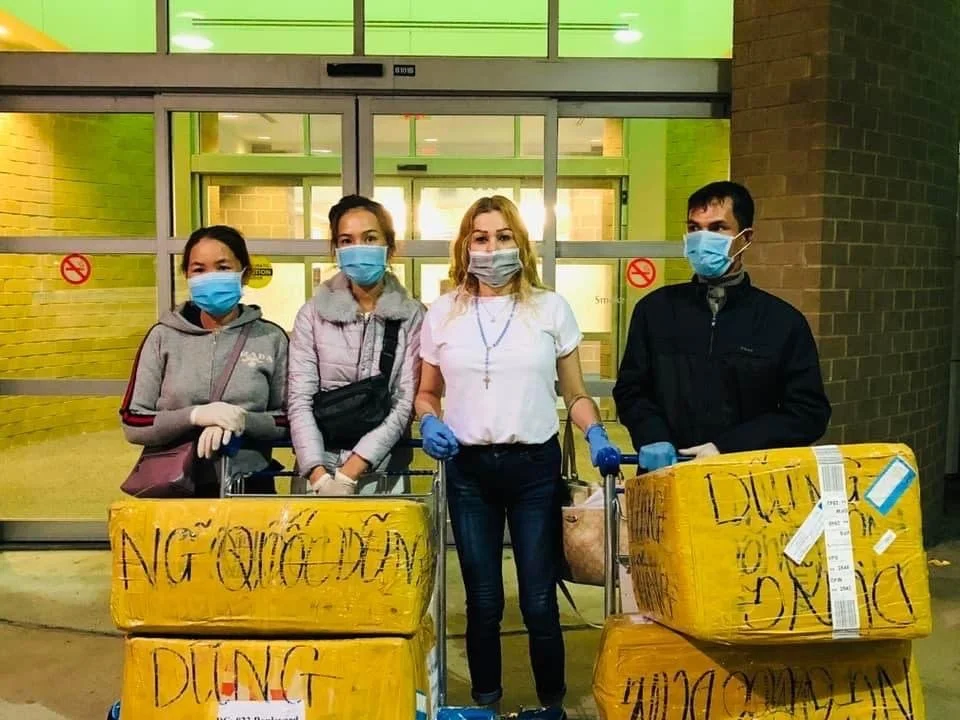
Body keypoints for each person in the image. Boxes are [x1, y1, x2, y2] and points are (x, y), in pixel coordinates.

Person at [414, 195, 620, 720]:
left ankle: (552, 704)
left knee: (538, 599)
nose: (492, 248)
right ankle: (487, 702)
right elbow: (427, 393)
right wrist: (430, 420)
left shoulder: (550, 309)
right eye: (481, 238)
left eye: (503, 237)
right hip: (468, 471)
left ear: (521, 244)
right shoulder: (443, 313)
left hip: (534, 469)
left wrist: (595, 433)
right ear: (465, 247)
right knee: (483, 600)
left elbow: (575, 393)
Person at [612, 181, 831, 471]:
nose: (703, 239)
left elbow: (808, 413)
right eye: (694, 228)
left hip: (746, 479)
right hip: (667, 473)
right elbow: (631, 390)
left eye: (717, 228)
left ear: (746, 237)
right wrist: (652, 435)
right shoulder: (655, 311)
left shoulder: (782, 322)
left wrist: (728, 447)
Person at [120, 225, 289, 495]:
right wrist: (194, 416)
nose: (211, 277)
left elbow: (290, 420)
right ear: (187, 275)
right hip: (174, 485)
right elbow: (133, 421)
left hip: (248, 484)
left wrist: (242, 420)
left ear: (244, 273)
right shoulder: (163, 336)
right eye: (199, 269)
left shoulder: (271, 338)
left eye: (223, 267)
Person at [287, 194, 424, 496]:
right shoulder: (311, 315)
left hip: (384, 474)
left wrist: (349, 474)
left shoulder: (412, 315)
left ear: (390, 247)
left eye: (370, 238)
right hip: (316, 476)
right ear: (336, 249)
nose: (358, 248)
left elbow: (404, 402)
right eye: (346, 240)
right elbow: (299, 399)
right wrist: (319, 476)